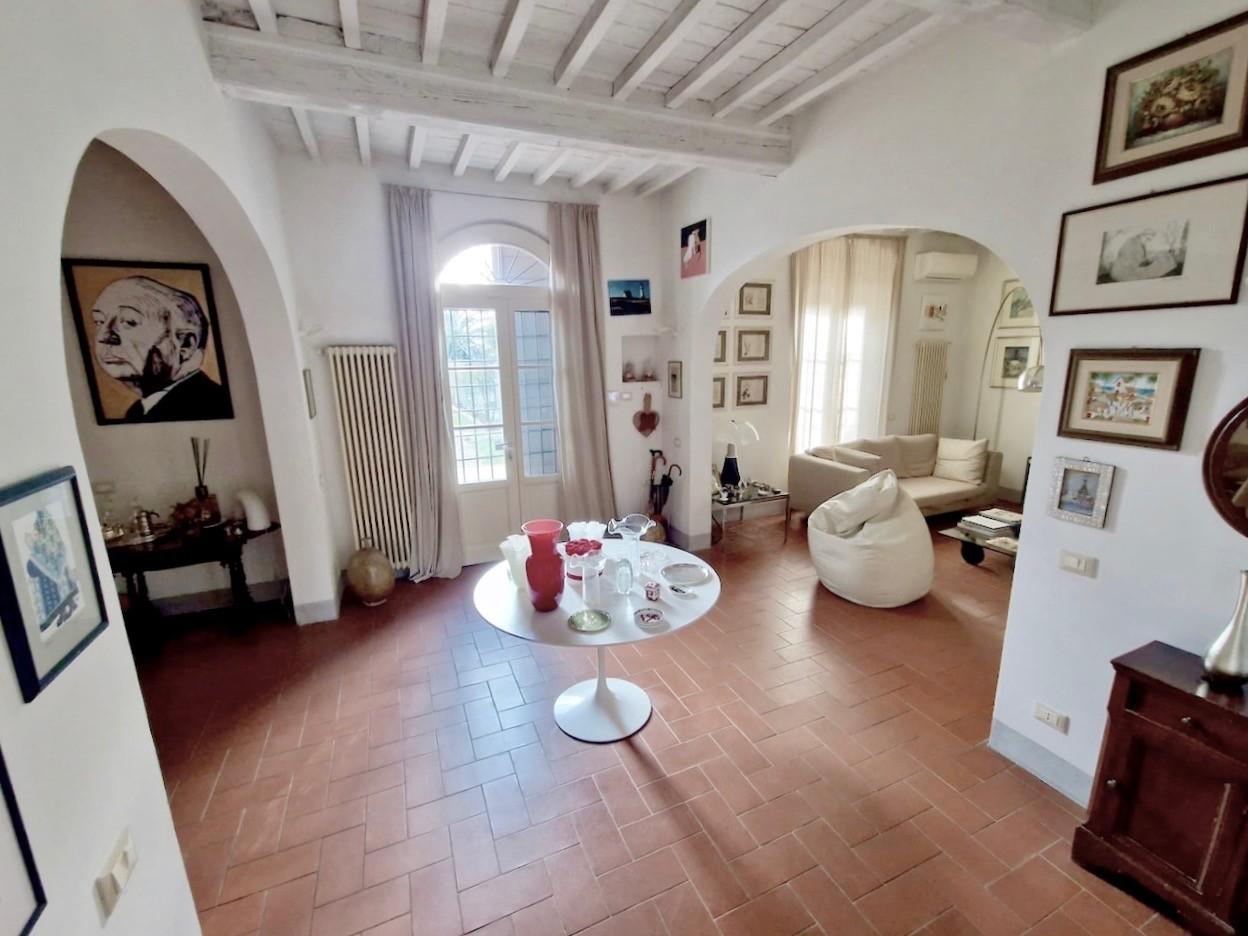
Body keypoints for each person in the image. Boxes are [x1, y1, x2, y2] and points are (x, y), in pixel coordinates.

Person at [91, 275, 232, 421]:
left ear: (185, 344)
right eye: (99, 321)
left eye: (129, 321)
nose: (103, 336)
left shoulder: (209, 407)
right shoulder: (139, 411)